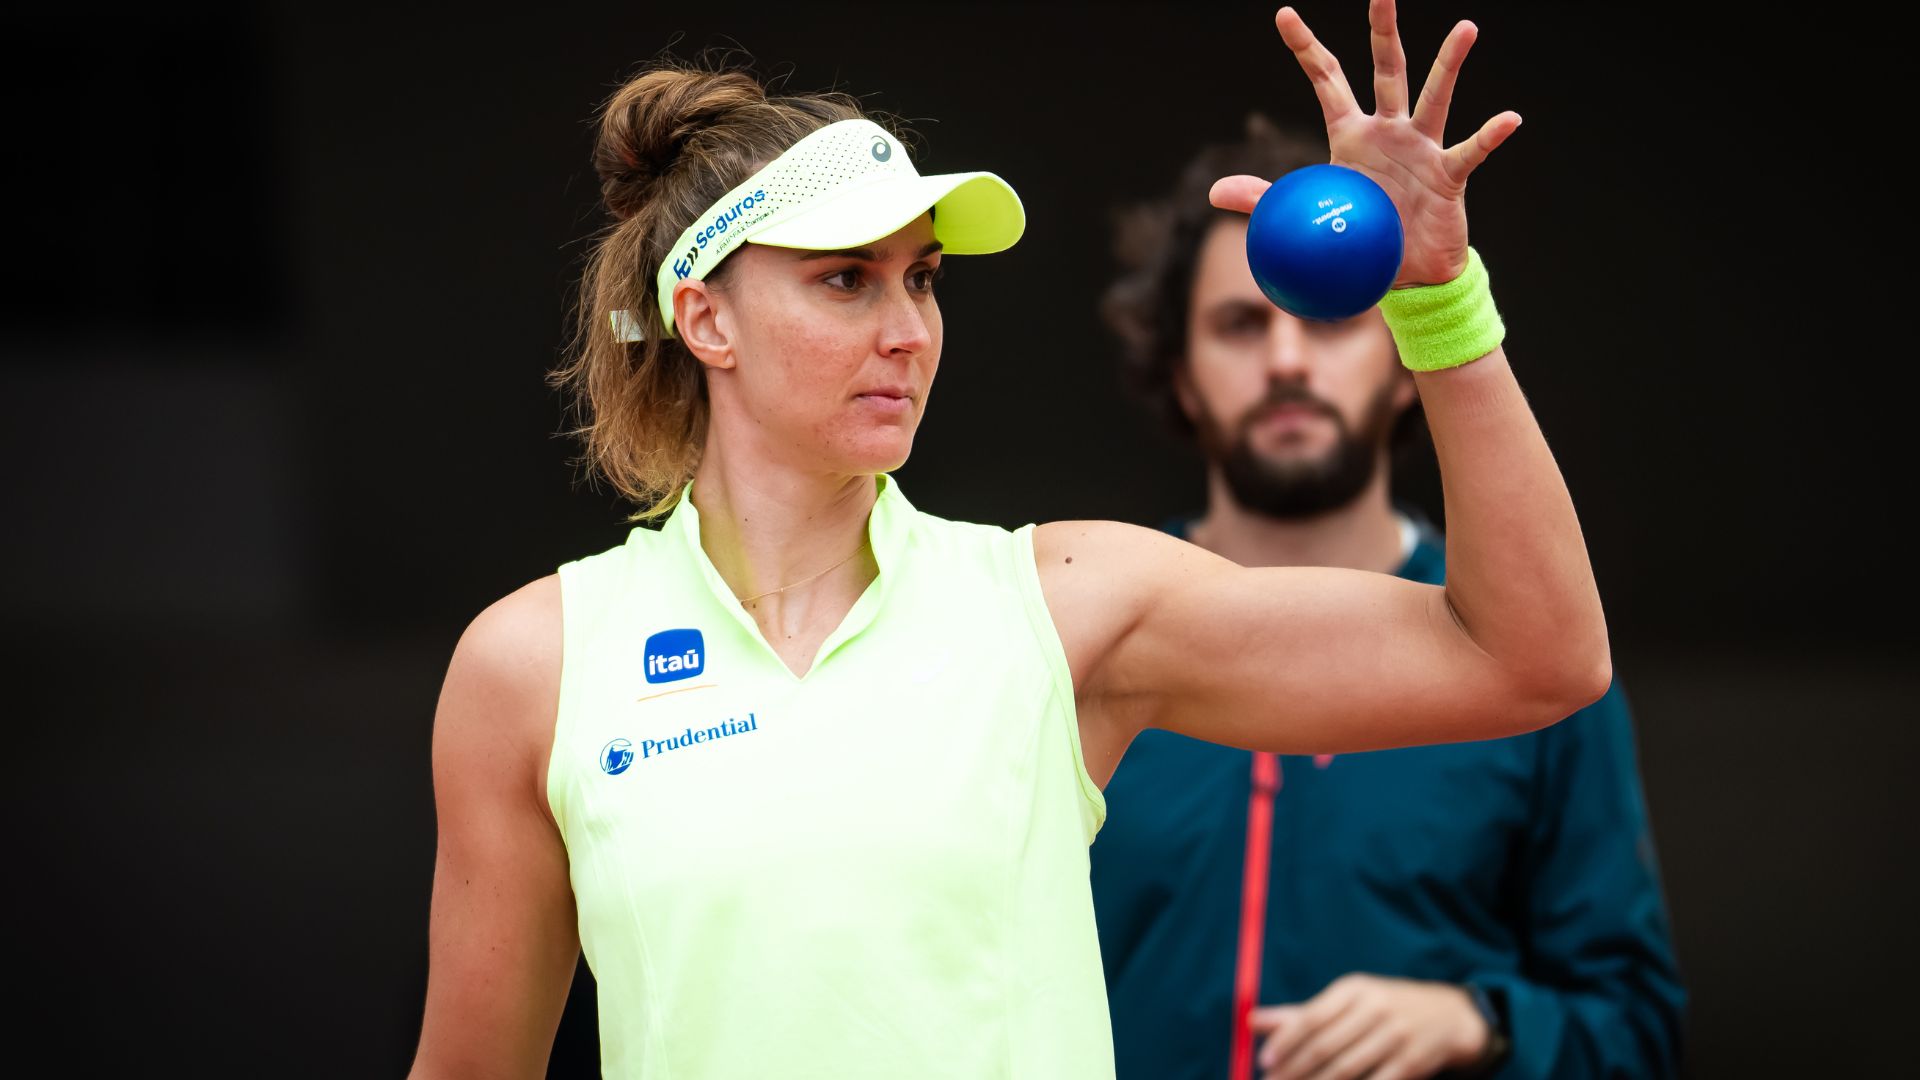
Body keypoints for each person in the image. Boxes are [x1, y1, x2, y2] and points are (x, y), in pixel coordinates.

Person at [408, 5, 1612, 1077]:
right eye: (847, 280)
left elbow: (1534, 659)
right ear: (704, 317)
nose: (909, 329)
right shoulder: (535, 665)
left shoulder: (1063, 603)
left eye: (923, 280)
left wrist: (1438, 298)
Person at [1089, 117, 1685, 1080]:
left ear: (1409, 361)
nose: (1288, 359)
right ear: (1182, 377)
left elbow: (1636, 1028)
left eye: (1331, 316)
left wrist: (1478, 1021)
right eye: (1242, 324)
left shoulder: (1535, 647)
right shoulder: (1086, 637)